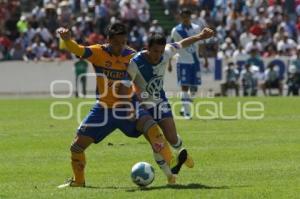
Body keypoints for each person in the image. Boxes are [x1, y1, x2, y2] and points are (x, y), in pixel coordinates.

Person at [57, 23, 185, 188]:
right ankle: (79, 181)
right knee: (76, 147)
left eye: (123, 42)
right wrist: (68, 40)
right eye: (117, 42)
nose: (120, 46)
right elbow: (79, 49)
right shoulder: (97, 52)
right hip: (104, 108)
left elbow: (146, 69)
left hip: (128, 106)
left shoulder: (132, 56)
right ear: (109, 40)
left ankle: (171, 166)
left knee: (152, 128)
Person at [119, 28, 214, 178]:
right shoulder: (135, 63)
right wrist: (128, 107)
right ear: (148, 48)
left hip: (160, 101)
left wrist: (201, 36)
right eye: (155, 51)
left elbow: (182, 43)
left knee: (172, 137)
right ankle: (170, 176)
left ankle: (182, 152)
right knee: (157, 142)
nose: (158, 55)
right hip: (142, 107)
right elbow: (124, 86)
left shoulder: (167, 53)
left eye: (161, 51)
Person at [170, 8, 209, 119]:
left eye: (187, 14)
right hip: (182, 61)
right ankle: (187, 113)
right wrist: (169, 61)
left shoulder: (196, 28)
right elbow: (172, 46)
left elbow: (201, 44)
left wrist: (205, 59)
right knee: (184, 87)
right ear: (181, 16)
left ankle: (184, 107)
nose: (185, 17)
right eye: (183, 15)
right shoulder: (176, 30)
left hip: (195, 61)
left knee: (194, 88)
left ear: (190, 16)